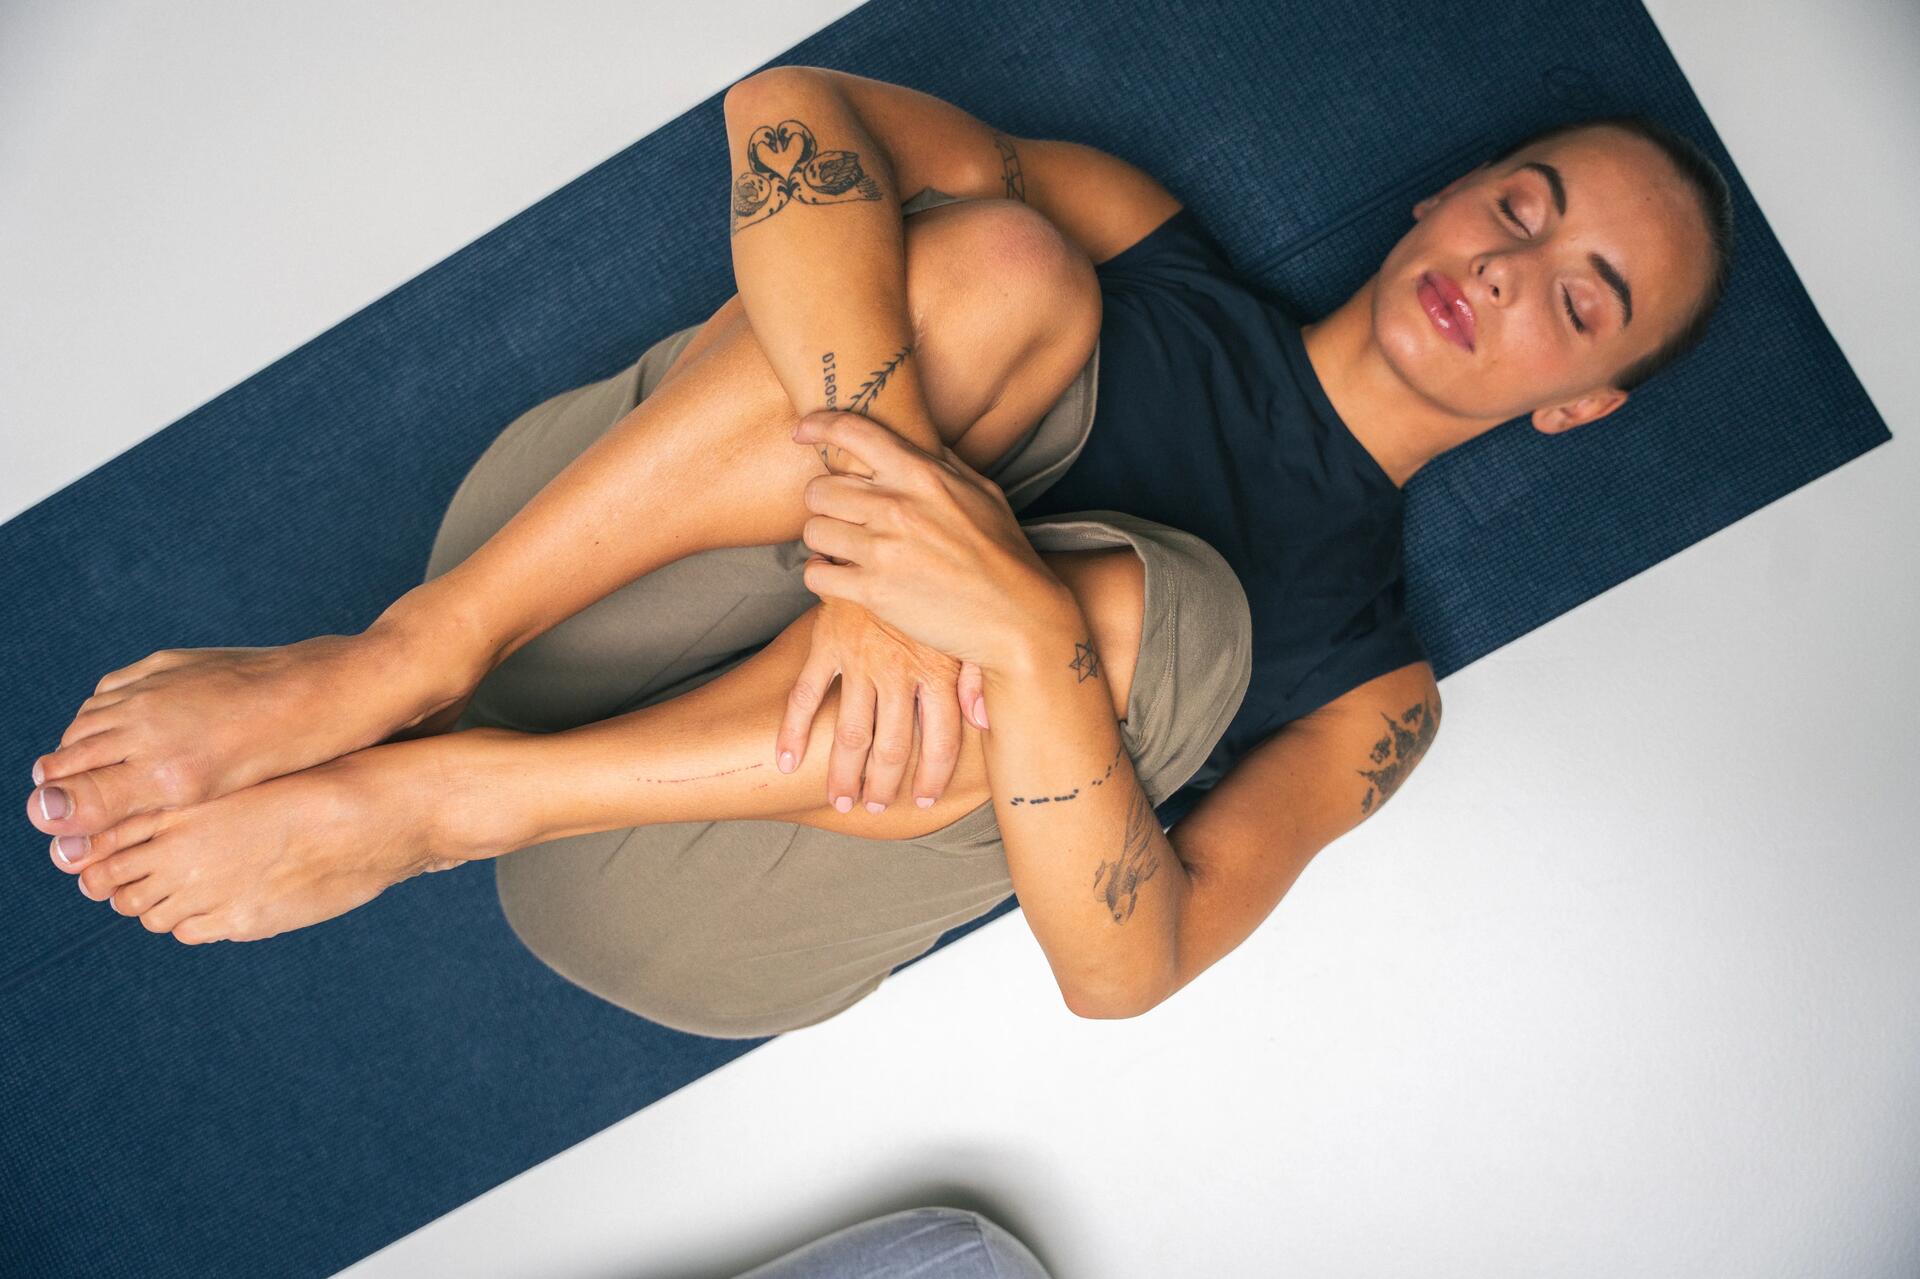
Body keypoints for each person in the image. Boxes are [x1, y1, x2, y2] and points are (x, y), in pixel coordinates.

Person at [24, 68, 1733, 1033]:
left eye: (1586, 297)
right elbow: (798, 113)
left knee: (1169, 626)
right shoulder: (1145, 240)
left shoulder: (1377, 689)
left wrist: (1012, 631)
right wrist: (892, 553)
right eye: (1522, 207)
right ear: (1451, 195)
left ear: (1577, 404)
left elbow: (1124, 968)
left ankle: (446, 798)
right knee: (1004, 272)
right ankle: (397, 668)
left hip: (690, 886)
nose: (1515, 274)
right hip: (559, 596)